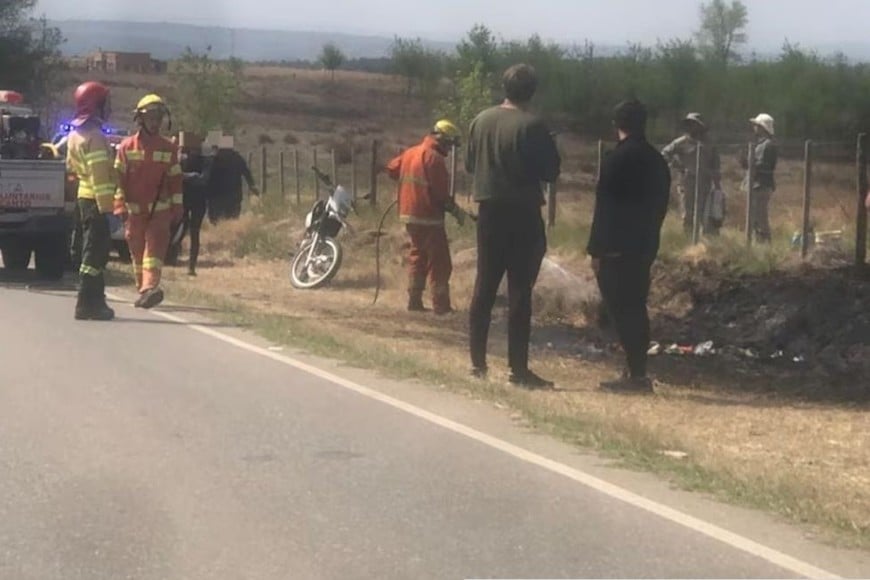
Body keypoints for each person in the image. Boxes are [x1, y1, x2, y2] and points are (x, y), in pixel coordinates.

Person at [465, 63, 561, 388]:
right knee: (520, 292)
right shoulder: (532, 125)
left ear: (504, 88)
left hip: (488, 212)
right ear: (531, 92)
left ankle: (477, 363)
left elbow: (468, 164)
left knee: (485, 287)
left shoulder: (480, 120)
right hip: (522, 214)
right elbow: (550, 172)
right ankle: (517, 369)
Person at [587, 99, 671, 393]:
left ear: (617, 125)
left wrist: (596, 249)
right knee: (636, 307)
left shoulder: (616, 159)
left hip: (615, 248)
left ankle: (635, 375)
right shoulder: (657, 161)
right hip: (644, 246)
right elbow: (661, 206)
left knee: (622, 311)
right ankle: (636, 370)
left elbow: (605, 208)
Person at [386, 120, 465, 314]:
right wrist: (456, 211)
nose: (449, 148)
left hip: (408, 215)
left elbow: (391, 169)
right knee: (440, 261)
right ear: (441, 139)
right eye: (449, 143)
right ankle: (441, 306)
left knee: (418, 255)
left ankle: (414, 301)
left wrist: (408, 187)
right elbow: (440, 194)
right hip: (428, 216)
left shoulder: (411, 152)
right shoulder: (434, 159)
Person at [113, 94, 183, 309]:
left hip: (159, 212)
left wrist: (177, 207)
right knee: (136, 253)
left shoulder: (169, 148)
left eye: (158, 117)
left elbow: (175, 180)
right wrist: (118, 205)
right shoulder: (126, 148)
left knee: (153, 253)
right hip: (133, 213)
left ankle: (150, 287)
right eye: (151, 117)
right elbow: (118, 180)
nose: (155, 122)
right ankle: (142, 288)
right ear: (140, 119)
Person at [66, 81, 117, 321]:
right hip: (97, 200)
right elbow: (100, 175)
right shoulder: (95, 137)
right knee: (94, 254)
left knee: (93, 253)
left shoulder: (75, 135)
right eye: (105, 103)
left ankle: (97, 301)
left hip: (83, 199)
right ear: (96, 106)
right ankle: (86, 302)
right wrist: (108, 208)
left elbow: (71, 168)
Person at [661, 113, 721, 236]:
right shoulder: (681, 142)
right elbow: (665, 154)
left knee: (706, 212)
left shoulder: (710, 143)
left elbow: (716, 165)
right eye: (689, 124)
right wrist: (676, 164)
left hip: (705, 182)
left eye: (694, 124)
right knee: (688, 213)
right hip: (687, 181)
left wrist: (717, 184)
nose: (691, 127)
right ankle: (688, 240)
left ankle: (708, 242)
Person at [166, 147, 211, 276]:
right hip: (183, 200)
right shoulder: (182, 161)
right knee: (177, 230)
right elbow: (173, 176)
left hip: (198, 201)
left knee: (194, 233)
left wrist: (185, 176)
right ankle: (170, 257)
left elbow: (204, 179)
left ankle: (191, 266)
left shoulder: (206, 161)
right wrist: (192, 176)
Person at [741, 113, 778, 243]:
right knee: (755, 218)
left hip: (761, 185)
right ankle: (759, 244)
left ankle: (766, 245)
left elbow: (763, 165)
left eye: (756, 125)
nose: (754, 128)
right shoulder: (761, 144)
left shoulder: (767, 145)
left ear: (762, 128)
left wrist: (749, 163)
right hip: (757, 185)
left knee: (760, 217)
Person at [207, 145, 258, 224]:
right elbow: (246, 173)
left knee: (216, 221)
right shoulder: (236, 158)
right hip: (231, 196)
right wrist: (252, 186)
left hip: (218, 197)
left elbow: (205, 176)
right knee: (231, 220)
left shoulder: (212, 159)